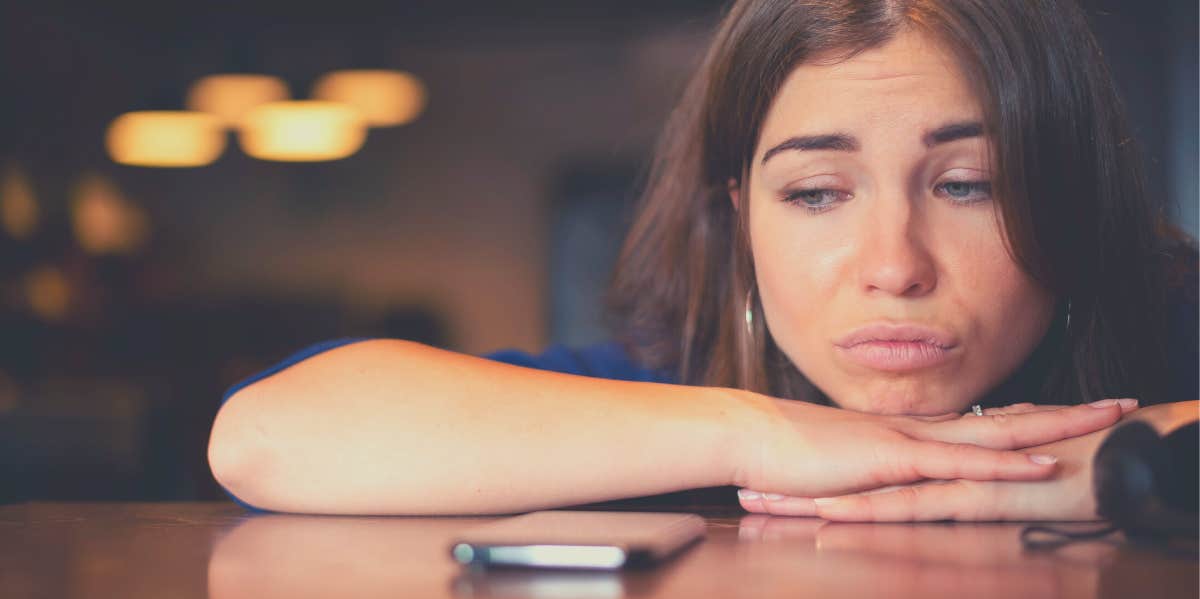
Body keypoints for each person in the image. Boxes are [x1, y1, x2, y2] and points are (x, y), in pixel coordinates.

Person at [207, 0, 1198, 520]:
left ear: (1069, 198)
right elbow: (264, 433)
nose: (894, 265)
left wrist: (1135, 463)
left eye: (967, 184)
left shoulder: (1172, 339)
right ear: (742, 217)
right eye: (816, 193)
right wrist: (754, 432)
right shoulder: (674, 386)